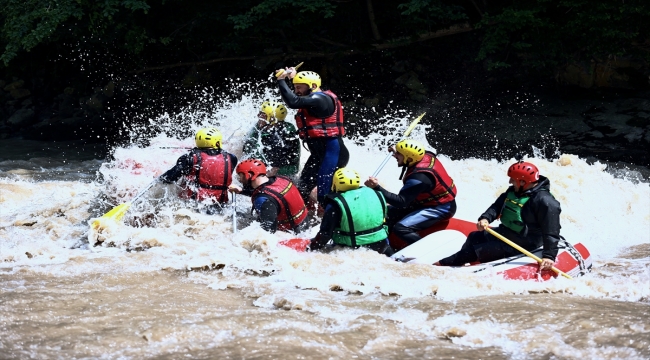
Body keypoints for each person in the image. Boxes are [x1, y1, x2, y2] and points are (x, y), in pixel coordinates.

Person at [435, 161, 560, 271]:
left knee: (475, 251)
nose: (510, 181)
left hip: (526, 242)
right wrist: (485, 218)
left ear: (523, 181)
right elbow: (497, 206)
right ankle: (466, 265)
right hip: (506, 233)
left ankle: (440, 266)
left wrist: (549, 256)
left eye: (513, 179)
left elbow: (552, 230)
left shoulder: (545, 202)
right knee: (474, 237)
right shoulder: (513, 191)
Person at [275, 68, 349, 207]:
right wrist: (293, 78)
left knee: (323, 193)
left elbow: (293, 102)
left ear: (313, 86)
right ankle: (303, 218)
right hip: (319, 155)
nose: (296, 90)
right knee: (303, 186)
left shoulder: (320, 98)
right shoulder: (312, 97)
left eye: (299, 87)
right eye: (295, 87)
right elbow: (301, 95)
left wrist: (281, 80)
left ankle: (330, 220)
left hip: (333, 153)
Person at [364, 139, 457, 247]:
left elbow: (401, 202)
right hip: (424, 202)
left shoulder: (419, 178)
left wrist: (377, 187)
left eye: (399, 154)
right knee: (387, 212)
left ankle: (425, 249)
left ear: (409, 158)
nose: (395, 156)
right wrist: (397, 149)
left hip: (441, 208)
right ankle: (383, 244)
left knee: (401, 228)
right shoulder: (425, 155)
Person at [310, 168, 393, 256]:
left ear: (335, 184)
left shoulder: (335, 204)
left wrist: (311, 247)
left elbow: (325, 235)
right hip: (382, 246)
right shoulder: (376, 193)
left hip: (353, 249)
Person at [160, 127, 238, 214]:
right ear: (217, 142)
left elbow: (170, 178)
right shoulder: (231, 158)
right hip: (220, 204)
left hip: (192, 205)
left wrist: (160, 178)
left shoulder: (189, 158)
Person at [229, 158, 308, 234]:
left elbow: (268, 232)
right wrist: (242, 191)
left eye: (241, 176)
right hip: (304, 224)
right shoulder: (281, 179)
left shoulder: (262, 200)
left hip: (291, 234)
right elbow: (274, 195)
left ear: (249, 175)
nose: (240, 180)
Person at [242, 101, 301, 177]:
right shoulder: (258, 127)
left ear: (272, 119)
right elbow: (248, 150)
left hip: (280, 175)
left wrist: (275, 171)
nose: (258, 115)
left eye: (262, 114)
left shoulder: (288, 136)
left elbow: (294, 168)